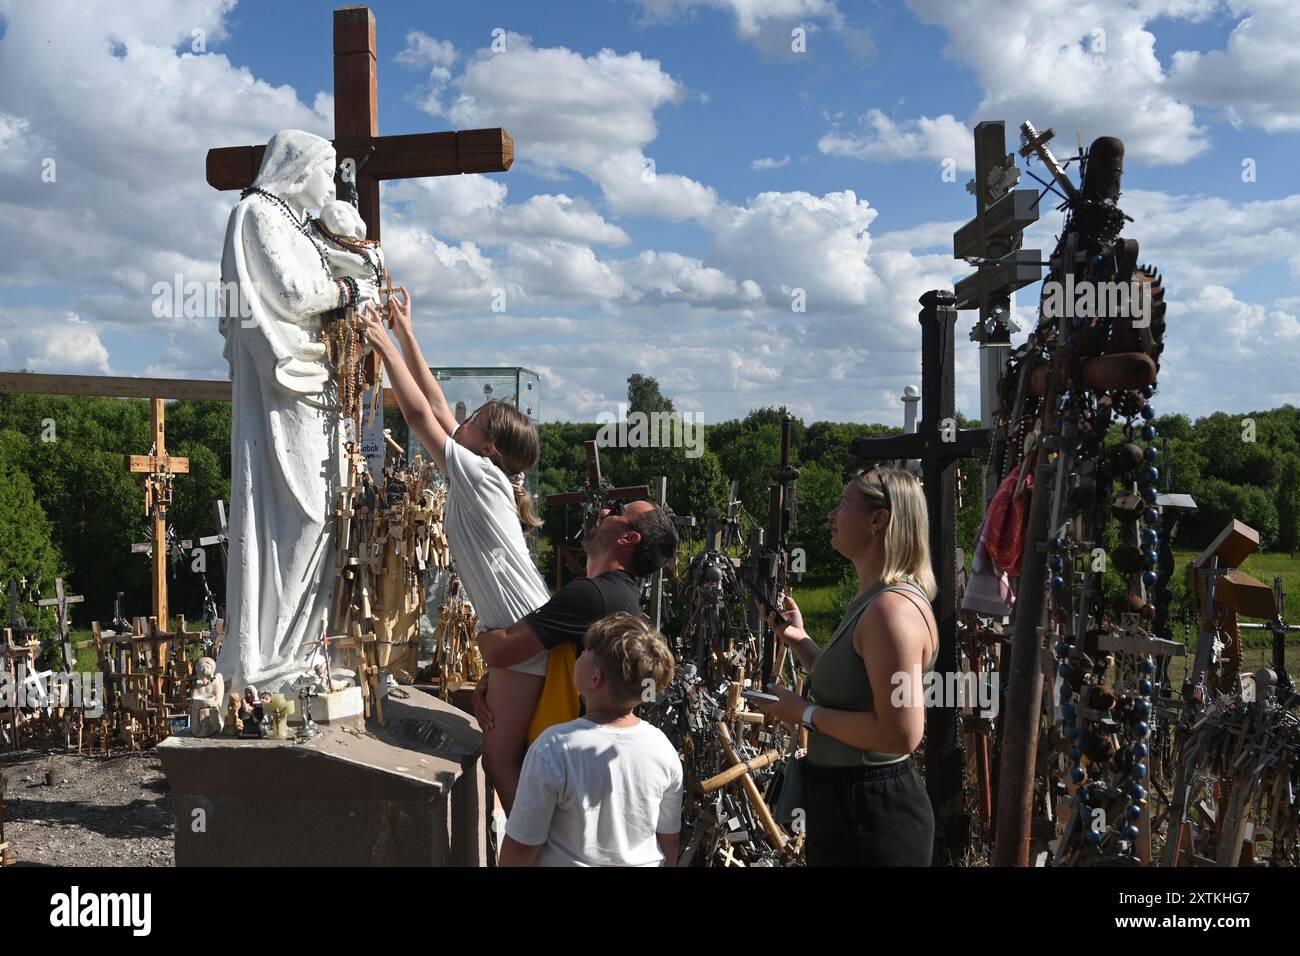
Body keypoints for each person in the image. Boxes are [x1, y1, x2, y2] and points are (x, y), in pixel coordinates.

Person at [361, 294, 550, 813]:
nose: (460, 419)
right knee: (510, 752)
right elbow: (440, 406)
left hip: (522, 633)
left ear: (488, 447)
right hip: (522, 628)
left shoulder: (482, 476)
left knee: (501, 756)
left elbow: (423, 415)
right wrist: (406, 333)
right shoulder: (487, 471)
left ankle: (529, 851)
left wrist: (382, 344)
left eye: (475, 420)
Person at [750, 466, 938, 866]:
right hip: (847, 804)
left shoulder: (892, 612)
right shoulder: (874, 600)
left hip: (870, 814)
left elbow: (901, 733)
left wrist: (804, 713)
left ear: (878, 520)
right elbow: (856, 688)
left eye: (843, 504)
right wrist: (800, 642)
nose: (831, 515)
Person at [472, 498, 679, 769]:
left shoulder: (591, 595)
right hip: (582, 759)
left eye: (617, 510)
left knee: (498, 761)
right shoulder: (621, 595)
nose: (604, 512)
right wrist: (494, 682)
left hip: (557, 766)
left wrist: (479, 627)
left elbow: (499, 651)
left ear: (629, 537)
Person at [498, 612, 684, 866]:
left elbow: (521, 848)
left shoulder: (554, 747)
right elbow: (669, 841)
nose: (579, 655)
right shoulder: (663, 749)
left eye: (585, 651)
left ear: (595, 678)